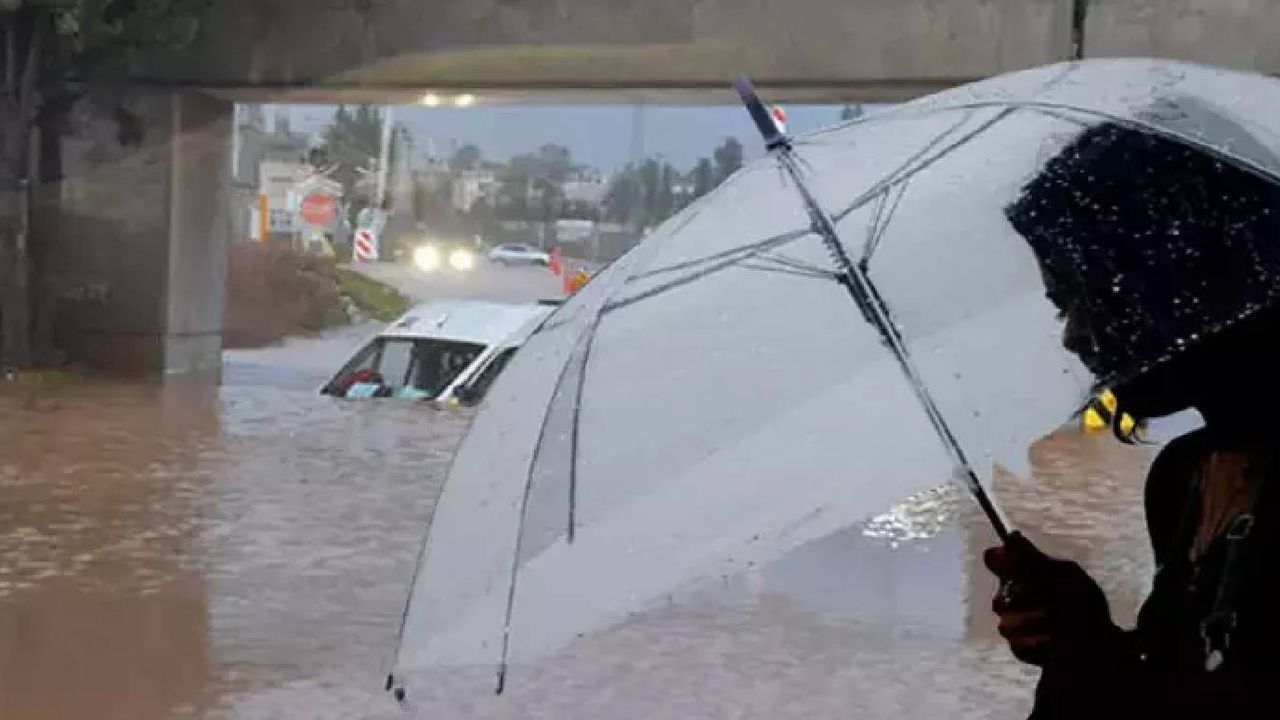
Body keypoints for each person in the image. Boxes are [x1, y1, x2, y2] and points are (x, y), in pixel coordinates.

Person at [984, 305, 1280, 717]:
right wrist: (1079, 642)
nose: (1075, 336)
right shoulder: (1184, 473)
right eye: (1062, 304)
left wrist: (1089, 652)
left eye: (1093, 294)